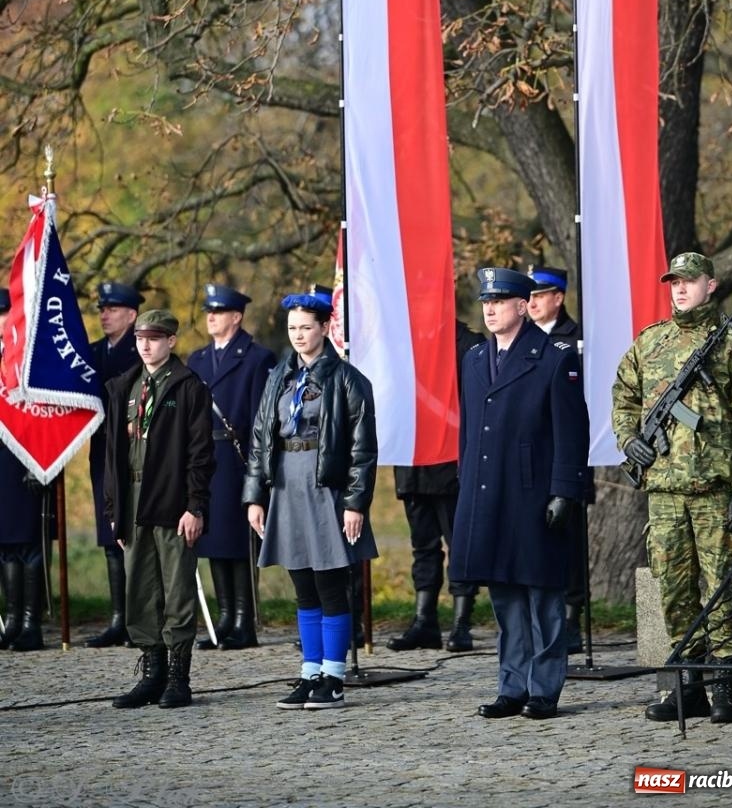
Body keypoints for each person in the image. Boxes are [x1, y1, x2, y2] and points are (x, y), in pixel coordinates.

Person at [612, 251, 732, 725]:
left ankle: (725, 686)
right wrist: (629, 439)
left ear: (710, 285)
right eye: (674, 282)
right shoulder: (650, 342)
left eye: (689, 280)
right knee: (674, 589)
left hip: (714, 489)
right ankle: (689, 682)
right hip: (663, 491)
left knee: (724, 585)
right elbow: (624, 397)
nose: (680, 289)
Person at [450, 267, 589, 721]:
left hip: (533, 492)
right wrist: (467, 484)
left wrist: (564, 491)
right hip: (489, 490)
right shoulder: (474, 359)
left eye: (499, 302)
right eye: (485, 303)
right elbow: (470, 432)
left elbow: (571, 431)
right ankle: (512, 686)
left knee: (542, 593)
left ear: (522, 306)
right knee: (505, 593)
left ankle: (544, 689)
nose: (489, 310)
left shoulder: (553, 357)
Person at [242, 286, 378, 710]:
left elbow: (362, 449)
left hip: (326, 490)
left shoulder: (349, 380)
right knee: (303, 585)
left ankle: (334, 678)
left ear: (324, 328)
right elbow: (261, 437)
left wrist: (354, 502)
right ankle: (310, 672)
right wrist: (255, 496)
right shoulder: (279, 377)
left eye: (306, 327)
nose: (298, 335)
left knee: (330, 584)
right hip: (286, 486)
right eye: (292, 328)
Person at [104, 309, 215, 710]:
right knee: (139, 588)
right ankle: (152, 675)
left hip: (172, 501)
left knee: (177, 589)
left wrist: (195, 506)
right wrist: (113, 510)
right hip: (133, 500)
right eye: (140, 339)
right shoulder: (125, 386)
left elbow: (201, 454)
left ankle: (178, 678)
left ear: (171, 341)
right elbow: (113, 454)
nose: (146, 346)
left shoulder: (188, 387)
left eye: (154, 338)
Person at [188, 282, 276, 649]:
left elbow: (261, 420)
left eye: (219, 311)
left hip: (238, 460)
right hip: (206, 458)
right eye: (209, 311)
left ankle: (244, 620)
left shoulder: (257, 358)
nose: (211, 317)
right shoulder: (197, 360)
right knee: (213, 540)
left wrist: (259, 470)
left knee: (239, 543)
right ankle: (225, 618)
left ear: (237, 317)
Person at [388, 318, 483, 653]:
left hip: (451, 462)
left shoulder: (469, 344)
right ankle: (424, 620)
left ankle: (461, 623)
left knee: (460, 544)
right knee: (423, 546)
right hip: (413, 460)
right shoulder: (403, 342)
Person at [526, 264, 594, 655]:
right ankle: (540, 619)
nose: (533, 303)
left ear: (558, 297)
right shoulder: (521, 339)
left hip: (565, 453)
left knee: (571, 542)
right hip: (531, 457)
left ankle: (571, 617)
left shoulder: (577, 340)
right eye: (529, 296)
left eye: (540, 295)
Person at [86, 280, 144, 648]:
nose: (105, 315)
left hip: (133, 452)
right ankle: (118, 618)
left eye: (113, 309)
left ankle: (139, 618)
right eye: (102, 310)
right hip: (102, 451)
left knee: (134, 536)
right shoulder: (91, 353)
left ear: (132, 315)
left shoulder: (141, 351)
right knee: (111, 535)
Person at [0, 287, 47, 652]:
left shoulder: (30, 358)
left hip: (25, 458)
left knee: (29, 542)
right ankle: (13, 621)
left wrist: (41, 462)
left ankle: (31, 623)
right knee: (5, 545)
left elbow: (48, 415)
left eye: (3, 314)